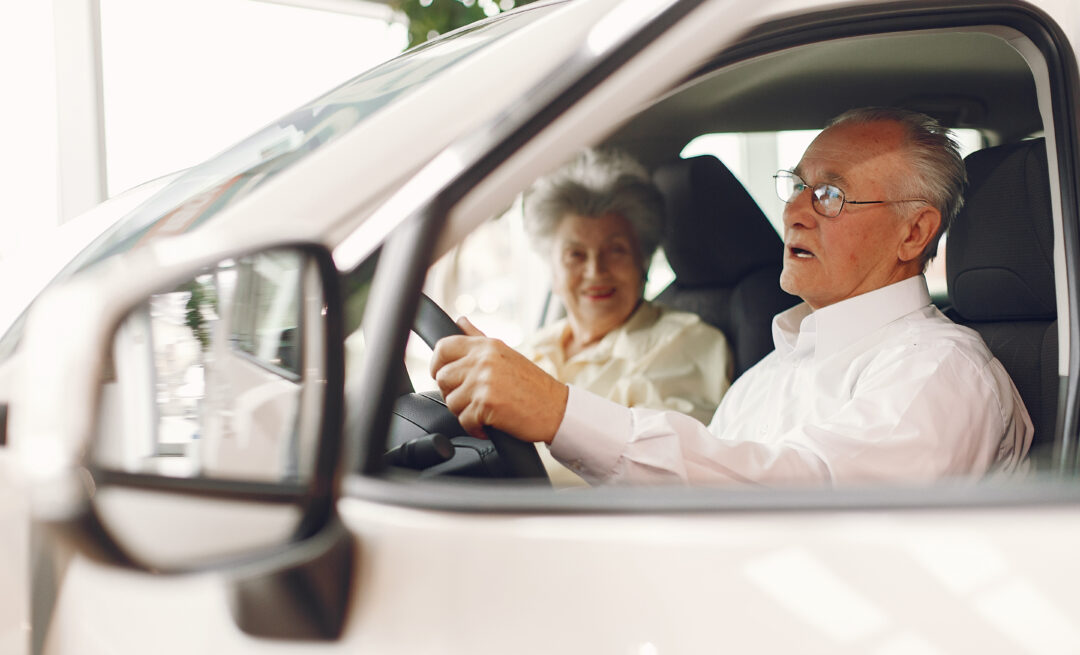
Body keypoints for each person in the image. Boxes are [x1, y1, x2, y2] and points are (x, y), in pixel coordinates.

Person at [433, 107, 1032, 486]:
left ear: (914, 232)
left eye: (830, 194)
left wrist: (559, 412)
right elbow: (695, 496)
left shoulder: (941, 371)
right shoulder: (767, 375)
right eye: (797, 186)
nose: (794, 210)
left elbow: (806, 495)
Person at [518, 148, 732, 426]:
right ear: (553, 270)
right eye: (576, 255)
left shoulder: (687, 344)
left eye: (616, 250)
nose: (596, 271)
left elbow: (668, 458)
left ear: (642, 261)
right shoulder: (534, 347)